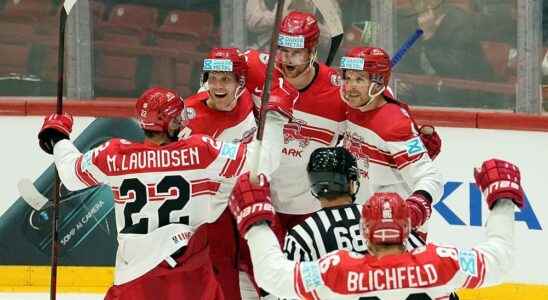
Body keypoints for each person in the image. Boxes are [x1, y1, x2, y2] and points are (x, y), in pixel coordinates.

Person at [37, 85, 293, 300]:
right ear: (171, 121)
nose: (183, 121)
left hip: (134, 277)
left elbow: (71, 175)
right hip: (190, 277)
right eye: (178, 118)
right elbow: (262, 161)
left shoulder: (114, 155)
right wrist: (274, 119)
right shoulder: (201, 151)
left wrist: (58, 138)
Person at [228, 158, 524, 299]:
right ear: (407, 229)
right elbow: (501, 256)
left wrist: (256, 222)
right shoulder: (441, 263)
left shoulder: (337, 272)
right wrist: (503, 200)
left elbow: (272, 276)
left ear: (365, 232)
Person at [183, 47, 296, 299]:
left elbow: (275, 73)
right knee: (222, 270)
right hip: (215, 206)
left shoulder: (247, 97)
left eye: (225, 79)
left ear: (241, 83)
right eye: (212, 79)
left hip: (249, 195)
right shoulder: (189, 120)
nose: (218, 86)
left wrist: (279, 98)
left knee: (269, 257)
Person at [244, 11, 348, 234]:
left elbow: (372, 120)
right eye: (283, 50)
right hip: (261, 201)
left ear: (312, 52)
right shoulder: (256, 69)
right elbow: (215, 73)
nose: (287, 59)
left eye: (297, 53)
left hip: (311, 209)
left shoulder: (339, 92)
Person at [339, 47, 443, 243]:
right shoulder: (354, 106)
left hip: (397, 230)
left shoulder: (394, 123)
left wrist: (413, 211)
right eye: (348, 78)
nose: (350, 87)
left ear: (377, 83)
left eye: (360, 79)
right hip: (364, 224)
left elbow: (430, 177)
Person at [284, 147, 428, 263]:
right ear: (352, 182)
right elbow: (423, 262)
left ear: (313, 184)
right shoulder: (386, 220)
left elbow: (289, 291)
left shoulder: (301, 234)